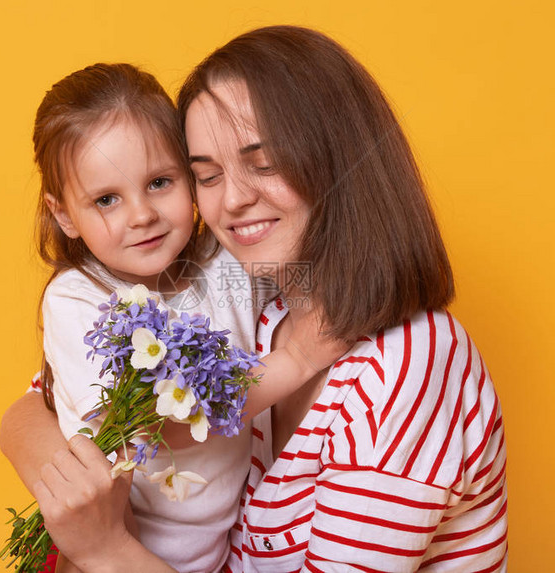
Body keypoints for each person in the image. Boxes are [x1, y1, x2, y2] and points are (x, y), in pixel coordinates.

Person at [3, 26, 508, 572]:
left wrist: (104, 549)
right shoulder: (271, 309)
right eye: (209, 175)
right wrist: (74, 496)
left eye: (263, 162)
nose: (235, 200)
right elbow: (38, 404)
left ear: (338, 158)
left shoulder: (407, 365)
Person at [17, 62, 347, 573]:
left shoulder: (221, 266)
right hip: (107, 555)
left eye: (159, 182)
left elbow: (301, 259)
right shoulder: (78, 298)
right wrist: (296, 361)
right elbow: (147, 425)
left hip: (215, 556)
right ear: (64, 215)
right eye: (107, 199)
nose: (142, 214)